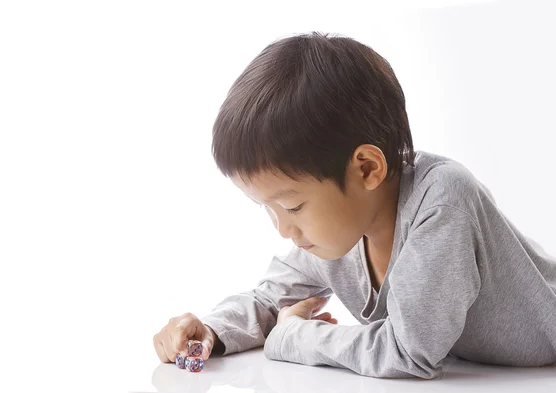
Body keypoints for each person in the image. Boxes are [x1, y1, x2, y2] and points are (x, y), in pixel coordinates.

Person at [153, 32, 556, 379]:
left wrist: (296, 337)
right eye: (267, 208)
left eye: (292, 207)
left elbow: (408, 352)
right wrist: (210, 331)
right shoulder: (339, 235)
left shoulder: (443, 199)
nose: (283, 230)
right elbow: (269, 299)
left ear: (366, 168)